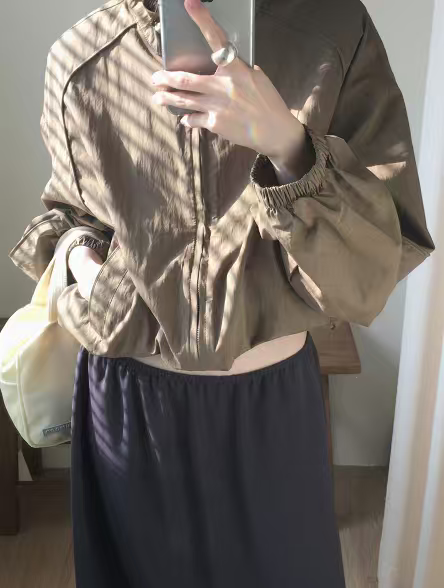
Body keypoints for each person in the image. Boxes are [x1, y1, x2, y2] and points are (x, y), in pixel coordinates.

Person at [8, 0, 435, 586]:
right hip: (126, 402)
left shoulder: (334, 30)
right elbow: (73, 212)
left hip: (270, 406)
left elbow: (376, 267)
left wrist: (290, 145)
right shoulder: (82, 54)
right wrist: (82, 258)